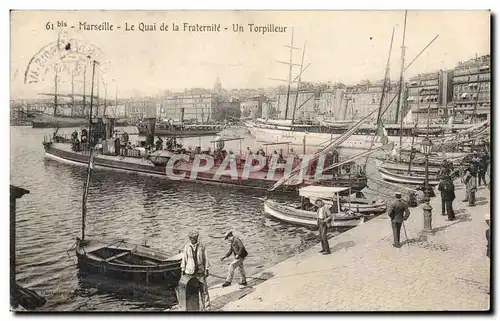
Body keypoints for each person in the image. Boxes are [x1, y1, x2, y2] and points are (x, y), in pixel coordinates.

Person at [180, 231, 211, 310]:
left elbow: (205, 258)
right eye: (191, 238)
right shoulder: (187, 247)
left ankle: (207, 308)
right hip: (190, 273)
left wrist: (206, 269)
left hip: (200, 272)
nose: (193, 240)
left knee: (204, 290)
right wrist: (183, 270)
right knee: (192, 291)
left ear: (197, 238)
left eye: (194, 238)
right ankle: (193, 308)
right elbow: (184, 259)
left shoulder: (202, 246)